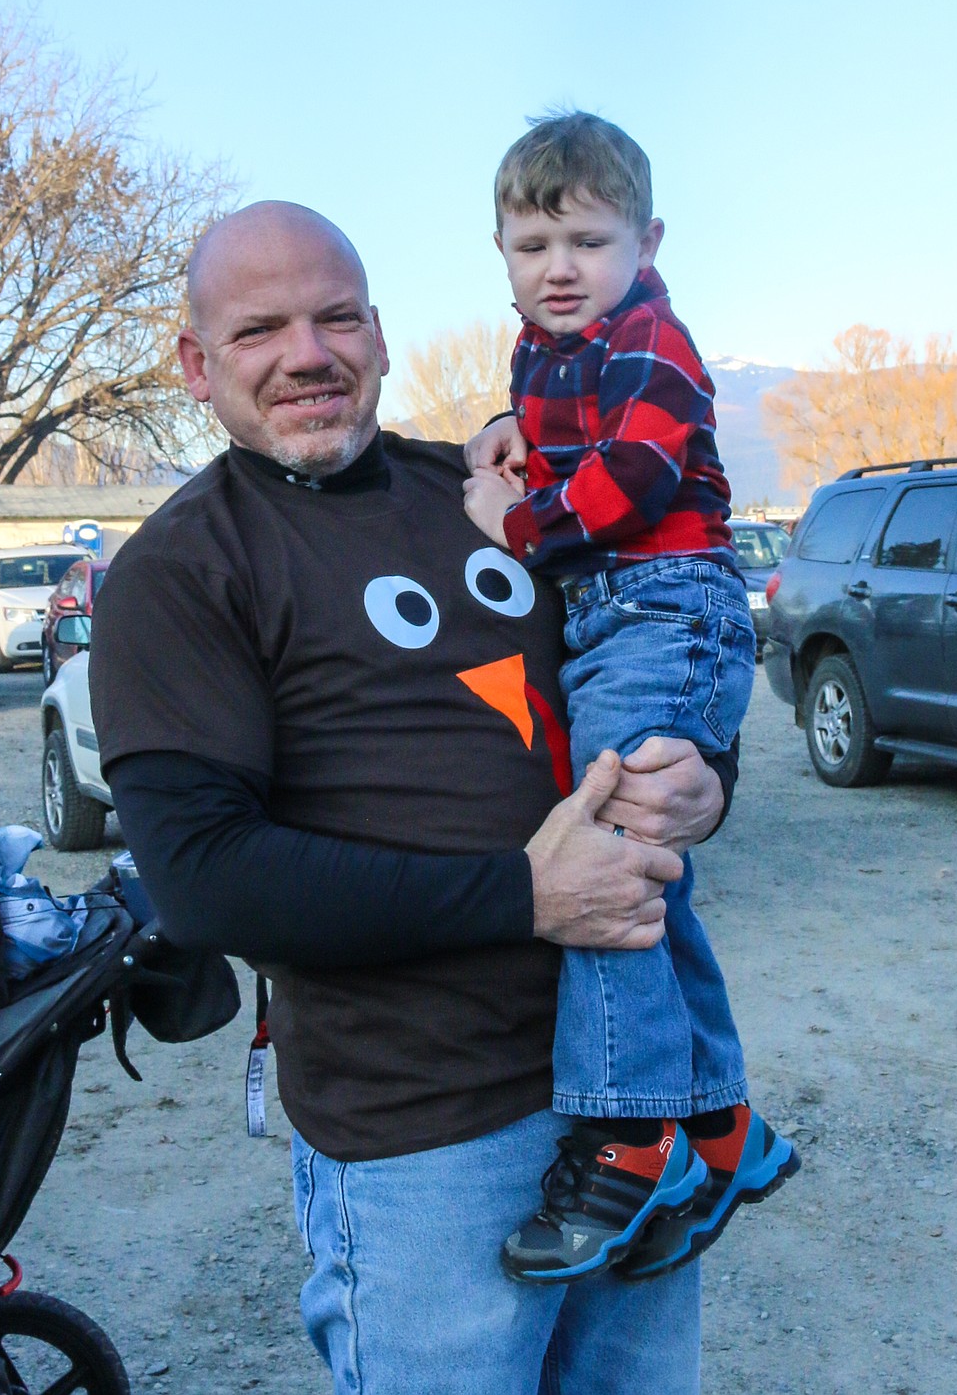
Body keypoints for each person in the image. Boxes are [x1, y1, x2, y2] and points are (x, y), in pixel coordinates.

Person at [89, 199, 739, 1395]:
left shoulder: (495, 492)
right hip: (426, 1139)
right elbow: (205, 877)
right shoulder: (179, 572)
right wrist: (526, 894)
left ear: (382, 335)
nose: (308, 354)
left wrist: (706, 782)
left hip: (631, 1107)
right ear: (195, 364)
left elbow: (656, 645)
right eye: (260, 330)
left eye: (337, 317)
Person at [461, 112, 798, 1283]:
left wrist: (515, 521)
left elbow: (634, 475)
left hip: (667, 606)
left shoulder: (650, 335)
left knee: (604, 861)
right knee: (650, 871)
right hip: (612, 620)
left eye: (590, 242)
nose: (560, 267)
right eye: (532, 243)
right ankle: (724, 1131)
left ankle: (632, 1130)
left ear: (645, 241)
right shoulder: (538, 349)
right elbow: (553, 437)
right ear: (502, 249)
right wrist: (508, 430)